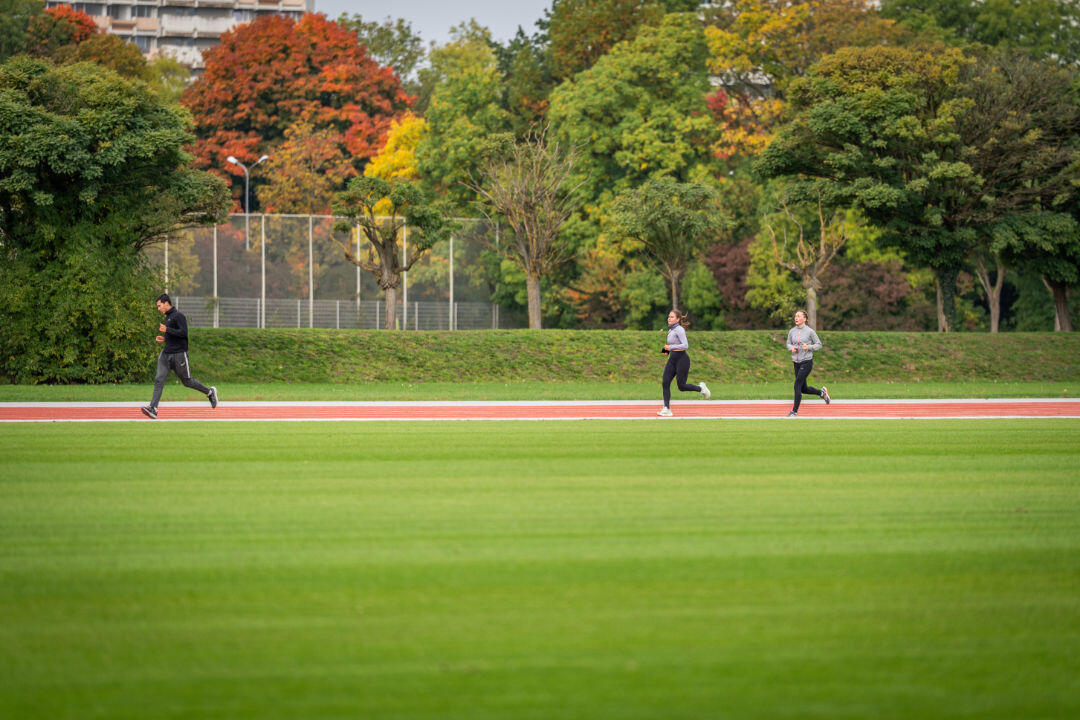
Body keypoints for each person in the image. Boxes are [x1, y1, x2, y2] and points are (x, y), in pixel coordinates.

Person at [141, 293, 217, 419]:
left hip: (179, 355)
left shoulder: (178, 316)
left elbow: (183, 333)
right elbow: (173, 335)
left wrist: (167, 331)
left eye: (159, 306)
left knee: (187, 381)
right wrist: (164, 339)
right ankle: (153, 408)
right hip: (166, 354)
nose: (158, 308)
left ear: (166, 303)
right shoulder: (167, 317)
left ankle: (209, 392)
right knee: (159, 379)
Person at [658, 309, 710, 417]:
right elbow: (673, 345)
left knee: (681, 386)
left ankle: (701, 388)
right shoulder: (671, 330)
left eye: (672, 317)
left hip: (682, 360)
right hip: (672, 360)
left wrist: (671, 347)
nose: (669, 318)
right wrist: (666, 351)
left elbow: (685, 345)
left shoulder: (679, 329)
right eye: (668, 316)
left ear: (677, 319)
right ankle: (667, 408)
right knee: (665, 382)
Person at [786, 309, 829, 417]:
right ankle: (821, 393)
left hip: (806, 362)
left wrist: (809, 347)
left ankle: (794, 411)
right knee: (803, 389)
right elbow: (788, 343)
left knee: (797, 385)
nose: (796, 318)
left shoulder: (810, 331)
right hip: (796, 362)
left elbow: (819, 344)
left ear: (804, 319)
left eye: (799, 316)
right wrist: (791, 348)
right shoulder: (792, 331)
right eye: (796, 316)